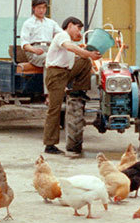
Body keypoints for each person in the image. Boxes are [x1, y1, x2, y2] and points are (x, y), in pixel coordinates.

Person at [42, 16, 101, 155]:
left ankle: (78, 91)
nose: (79, 31)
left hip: (65, 72)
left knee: (85, 61)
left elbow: (75, 44)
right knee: (54, 109)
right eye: (78, 28)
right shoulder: (61, 36)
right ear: (69, 25)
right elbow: (70, 47)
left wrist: (85, 49)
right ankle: (49, 144)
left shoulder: (67, 37)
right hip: (56, 75)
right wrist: (89, 54)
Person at [19, 0, 61, 67]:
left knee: (64, 58)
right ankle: (48, 78)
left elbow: (61, 34)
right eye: (39, 8)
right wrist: (34, 50)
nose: (41, 10)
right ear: (33, 8)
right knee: (49, 58)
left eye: (44, 8)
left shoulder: (51, 23)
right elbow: (24, 43)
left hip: (49, 48)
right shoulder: (28, 23)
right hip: (34, 50)